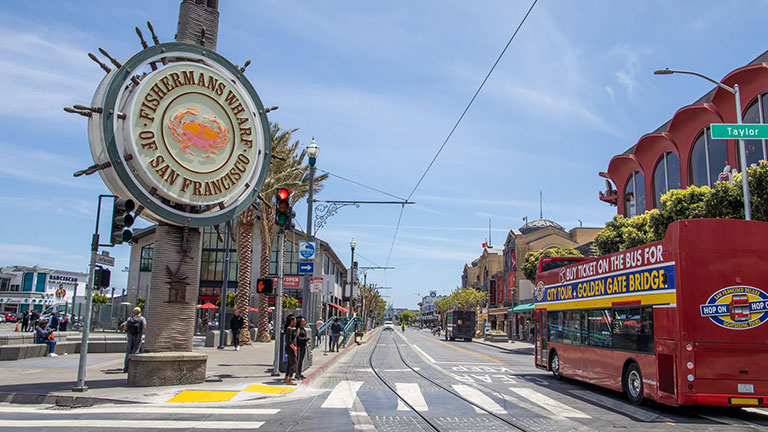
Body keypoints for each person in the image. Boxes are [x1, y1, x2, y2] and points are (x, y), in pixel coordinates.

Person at [121, 307, 146, 373]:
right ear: (140, 312)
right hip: (138, 336)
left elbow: (125, 327)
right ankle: (133, 368)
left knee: (128, 351)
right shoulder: (141, 319)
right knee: (136, 351)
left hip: (130, 336)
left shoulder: (129, 318)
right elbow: (144, 327)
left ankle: (126, 368)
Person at [283, 315, 298, 385]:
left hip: (290, 348)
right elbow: (289, 341)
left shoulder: (292, 329)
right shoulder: (289, 329)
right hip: (290, 348)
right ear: (291, 321)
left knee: (289, 363)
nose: (295, 321)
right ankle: (290, 379)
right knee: (293, 363)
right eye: (294, 320)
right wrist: (294, 348)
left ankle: (286, 377)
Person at [296, 316, 309, 380]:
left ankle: (299, 373)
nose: (305, 322)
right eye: (303, 321)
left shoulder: (303, 329)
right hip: (299, 346)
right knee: (299, 360)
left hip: (303, 346)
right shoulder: (298, 329)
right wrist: (305, 339)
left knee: (301, 360)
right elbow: (297, 338)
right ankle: (297, 374)